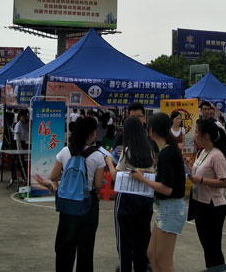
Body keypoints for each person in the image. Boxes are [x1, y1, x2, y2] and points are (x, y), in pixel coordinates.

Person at [129, 112, 186, 272]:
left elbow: (166, 189)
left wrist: (142, 179)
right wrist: (146, 172)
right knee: (152, 255)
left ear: (151, 131)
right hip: (166, 209)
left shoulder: (167, 153)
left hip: (170, 209)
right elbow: (165, 177)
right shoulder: (167, 150)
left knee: (163, 262)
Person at [50, 116, 104, 272]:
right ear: (92, 133)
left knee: (65, 245)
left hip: (68, 204)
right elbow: (98, 185)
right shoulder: (97, 156)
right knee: (85, 248)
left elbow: (53, 176)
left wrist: (68, 177)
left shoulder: (65, 151)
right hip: (88, 204)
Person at [104, 117, 156, 272]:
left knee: (124, 240)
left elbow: (116, 175)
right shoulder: (149, 150)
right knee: (142, 239)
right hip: (145, 197)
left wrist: (109, 162)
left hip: (126, 197)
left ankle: (125, 268)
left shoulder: (127, 151)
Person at [187, 119, 226, 268]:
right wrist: (189, 167)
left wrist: (201, 180)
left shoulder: (217, 155)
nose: (194, 135)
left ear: (206, 136)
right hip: (200, 203)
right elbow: (200, 172)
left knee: (213, 248)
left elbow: (224, 182)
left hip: (213, 207)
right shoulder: (202, 152)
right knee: (207, 247)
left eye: (197, 132)